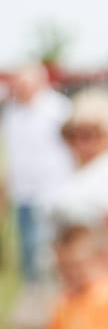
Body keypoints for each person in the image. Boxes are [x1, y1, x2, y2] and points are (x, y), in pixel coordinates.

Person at [44, 86, 108, 272]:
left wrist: (95, 288)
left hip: (99, 283)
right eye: (74, 134)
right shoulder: (85, 169)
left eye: (90, 134)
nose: (81, 142)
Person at [2, 61, 73, 287]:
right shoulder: (12, 114)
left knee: (49, 250)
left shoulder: (60, 110)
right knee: (29, 250)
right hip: (23, 193)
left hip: (54, 191)